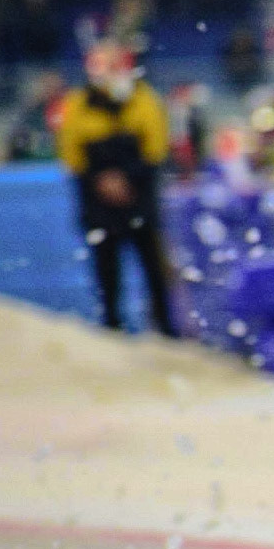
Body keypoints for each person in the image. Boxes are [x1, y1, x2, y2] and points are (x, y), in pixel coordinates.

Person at [56, 42, 176, 337]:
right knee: (107, 269)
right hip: (98, 202)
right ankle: (112, 327)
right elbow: (71, 154)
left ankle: (164, 329)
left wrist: (128, 179)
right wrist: (102, 180)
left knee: (153, 267)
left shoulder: (144, 99)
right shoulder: (77, 103)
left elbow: (157, 149)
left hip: (139, 197)